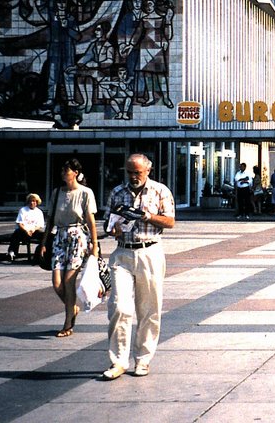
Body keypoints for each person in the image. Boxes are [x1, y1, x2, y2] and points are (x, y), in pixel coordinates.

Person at [102, 153, 176, 380]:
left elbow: (170, 221)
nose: (134, 176)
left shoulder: (160, 191)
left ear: (148, 170)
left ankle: (143, 360)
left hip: (149, 251)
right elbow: (107, 223)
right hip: (123, 253)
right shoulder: (117, 192)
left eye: (138, 172)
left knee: (149, 309)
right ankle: (118, 361)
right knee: (119, 307)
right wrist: (114, 227)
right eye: (130, 172)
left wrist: (147, 216)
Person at [39, 158, 99, 338]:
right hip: (59, 237)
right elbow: (50, 219)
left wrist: (94, 244)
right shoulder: (57, 193)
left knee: (68, 282)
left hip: (77, 237)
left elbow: (90, 220)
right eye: (63, 170)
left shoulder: (85, 192)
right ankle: (72, 308)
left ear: (76, 173)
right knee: (57, 282)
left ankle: (67, 324)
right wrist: (43, 242)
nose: (64, 172)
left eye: (67, 170)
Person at [5, 193, 46, 262]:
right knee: (17, 233)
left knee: (44, 235)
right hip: (23, 231)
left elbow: (39, 225)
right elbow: (20, 223)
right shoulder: (23, 210)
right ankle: (12, 252)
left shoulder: (39, 212)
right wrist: (26, 230)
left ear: (37, 202)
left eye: (33, 201)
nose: (32, 203)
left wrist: (33, 229)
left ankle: (40, 253)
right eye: (30, 201)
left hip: (33, 231)